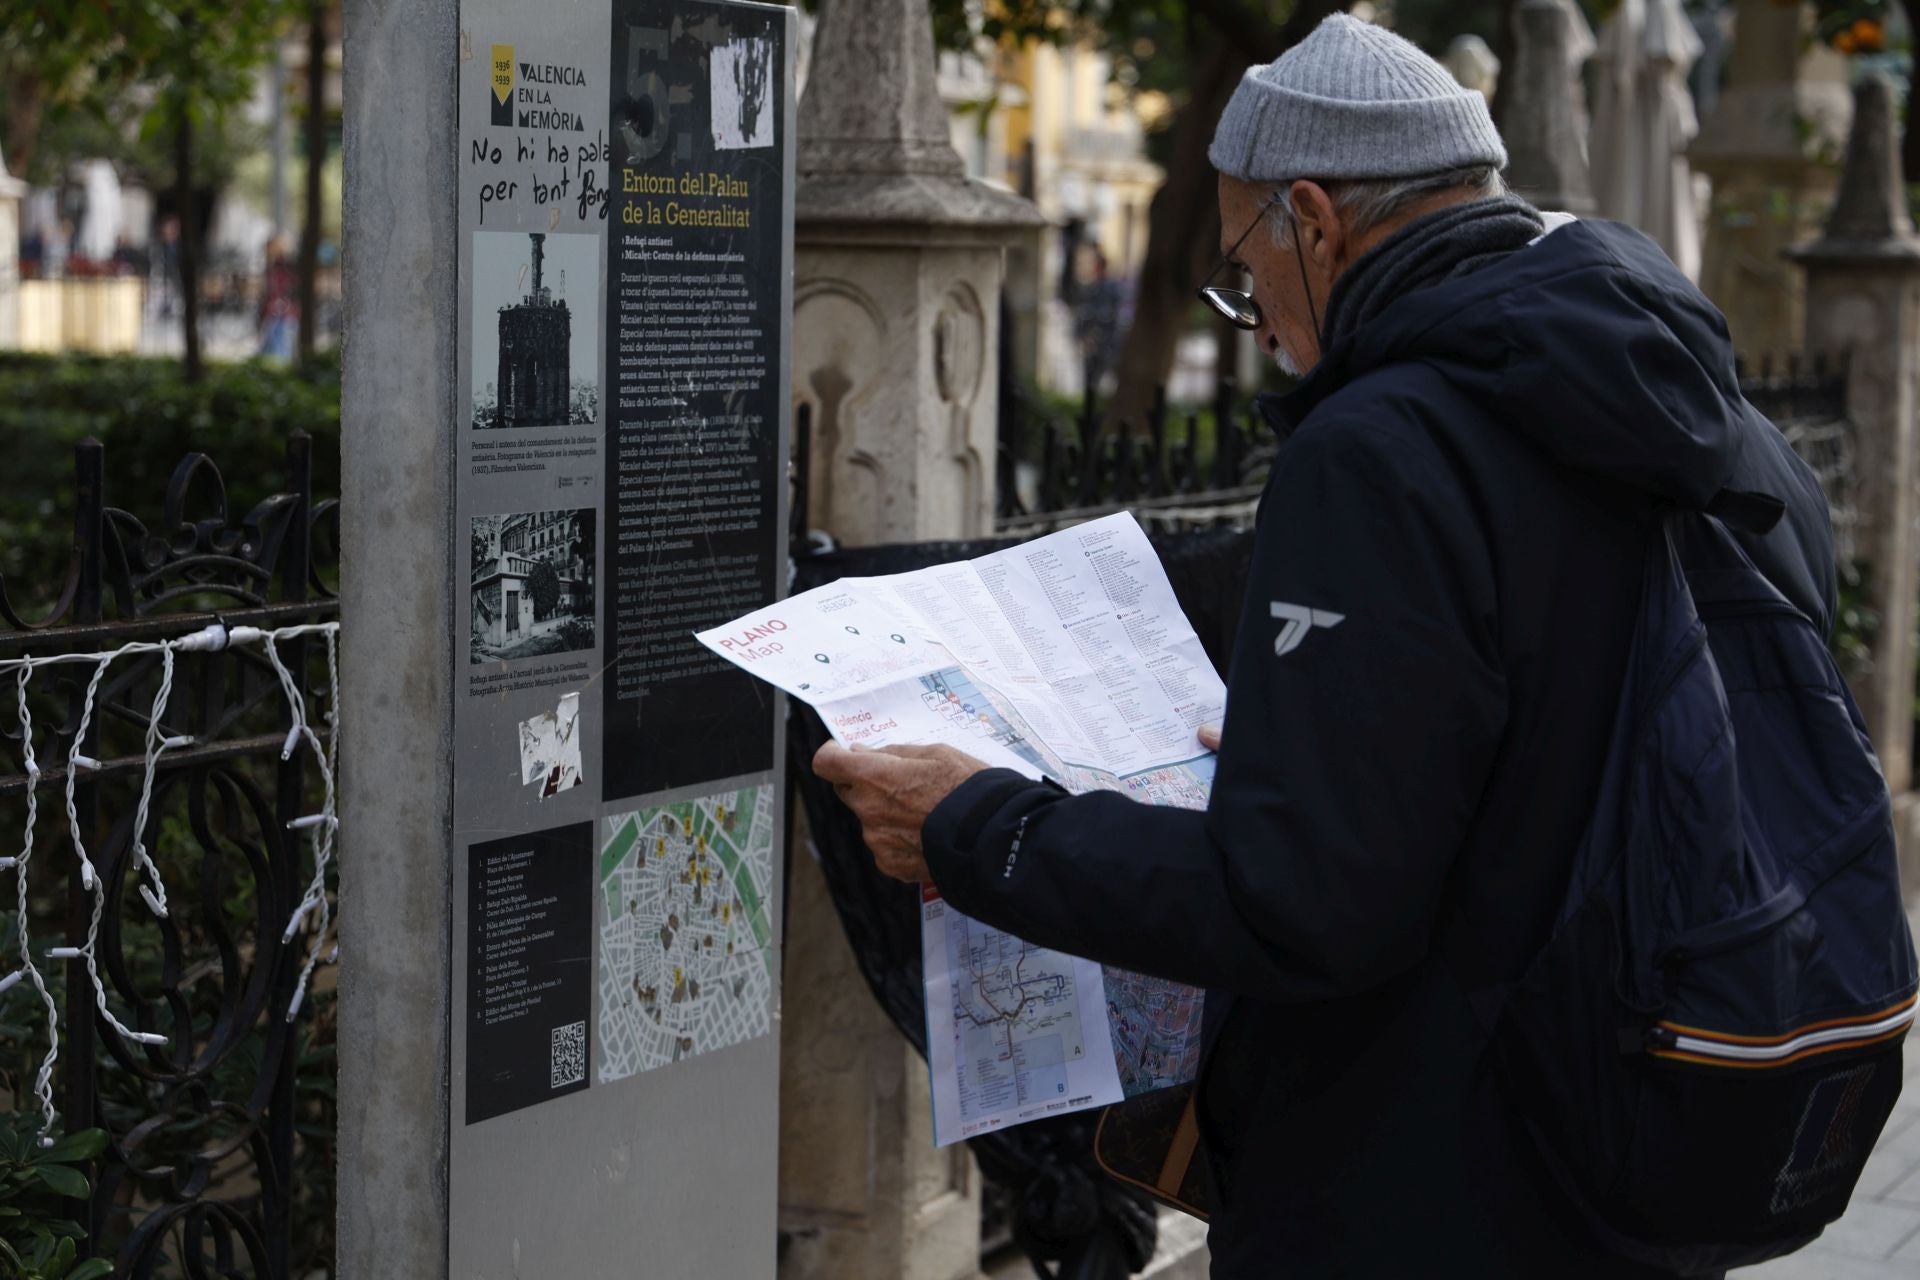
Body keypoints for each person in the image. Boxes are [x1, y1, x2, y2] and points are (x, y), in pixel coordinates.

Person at [814, 13, 1836, 1279]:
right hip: (1639, 1135)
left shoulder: (1381, 448)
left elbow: (1299, 905)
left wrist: (978, 825)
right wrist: (1337, 734)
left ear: (1314, 217)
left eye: (1245, 271)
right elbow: (1570, 747)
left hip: (1421, 1182)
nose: (1258, 323)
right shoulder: (1721, 425)